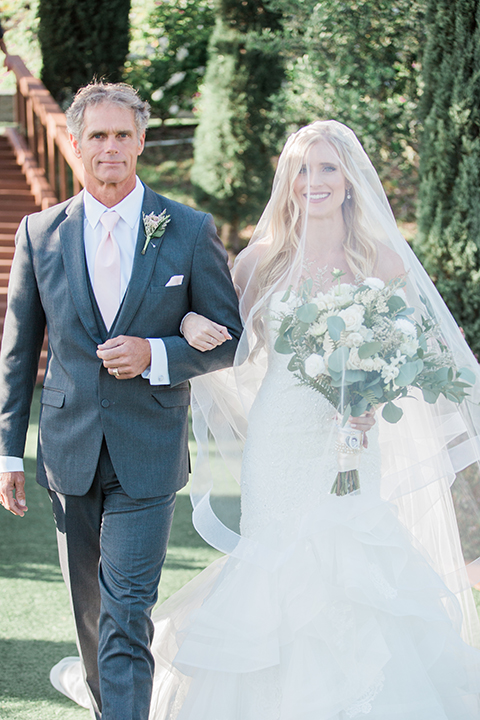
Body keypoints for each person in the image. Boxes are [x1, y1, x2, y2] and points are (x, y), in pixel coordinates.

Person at [61, 120, 480, 718]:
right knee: (279, 559)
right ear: (287, 182)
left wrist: (371, 398)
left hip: (352, 443)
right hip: (279, 442)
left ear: (351, 181)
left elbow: (421, 352)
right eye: (302, 169)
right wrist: (182, 326)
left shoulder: (382, 260)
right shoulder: (263, 259)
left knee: (352, 553)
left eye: (328, 168)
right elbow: (209, 323)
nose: (315, 181)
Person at [0, 81, 242, 720]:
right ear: (77, 144)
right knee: (91, 615)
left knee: (127, 611)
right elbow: (19, 353)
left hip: (150, 451)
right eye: (98, 136)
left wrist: (158, 355)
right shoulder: (39, 233)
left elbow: (230, 342)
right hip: (68, 453)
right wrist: (9, 455)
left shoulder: (187, 230)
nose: (111, 147)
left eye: (122, 135)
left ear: (141, 141)